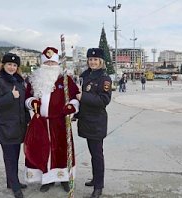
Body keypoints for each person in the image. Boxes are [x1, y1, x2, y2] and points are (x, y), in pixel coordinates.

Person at [24, 47, 80, 193]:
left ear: (57, 64)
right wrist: (32, 102)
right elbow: (27, 97)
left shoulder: (65, 80)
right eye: (47, 63)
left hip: (60, 123)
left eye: (52, 63)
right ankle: (47, 179)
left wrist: (72, 107)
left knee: (62, 151)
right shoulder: (35, 79)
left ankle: (65, 179)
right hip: (40, 122)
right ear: (42, 64)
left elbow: (75, 97)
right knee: (42, 151)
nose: (49, 66)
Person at [0, 53, 29, 198]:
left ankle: (11, 181)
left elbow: (23, 105)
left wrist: (28, 119)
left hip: (18, 126)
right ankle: (15, 186)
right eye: (9, 64)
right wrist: (10, 96)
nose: (11, 67)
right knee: (10, 157)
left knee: (15, 156)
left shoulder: (19, 82)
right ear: (3, 65)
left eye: (14, 65)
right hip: (6, 127)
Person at [76, 48, 112, 198]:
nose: (92, 62)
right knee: (92, 153)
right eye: (90, 59)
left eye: (95, 60)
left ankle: (99, 185)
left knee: (97, 154)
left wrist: (82, 96)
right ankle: (95, 178)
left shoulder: (105, 79)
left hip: (97, 121)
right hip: (85, 119)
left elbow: (104, 100)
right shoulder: (84, 76)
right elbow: (76, 95)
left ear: (101, 61)